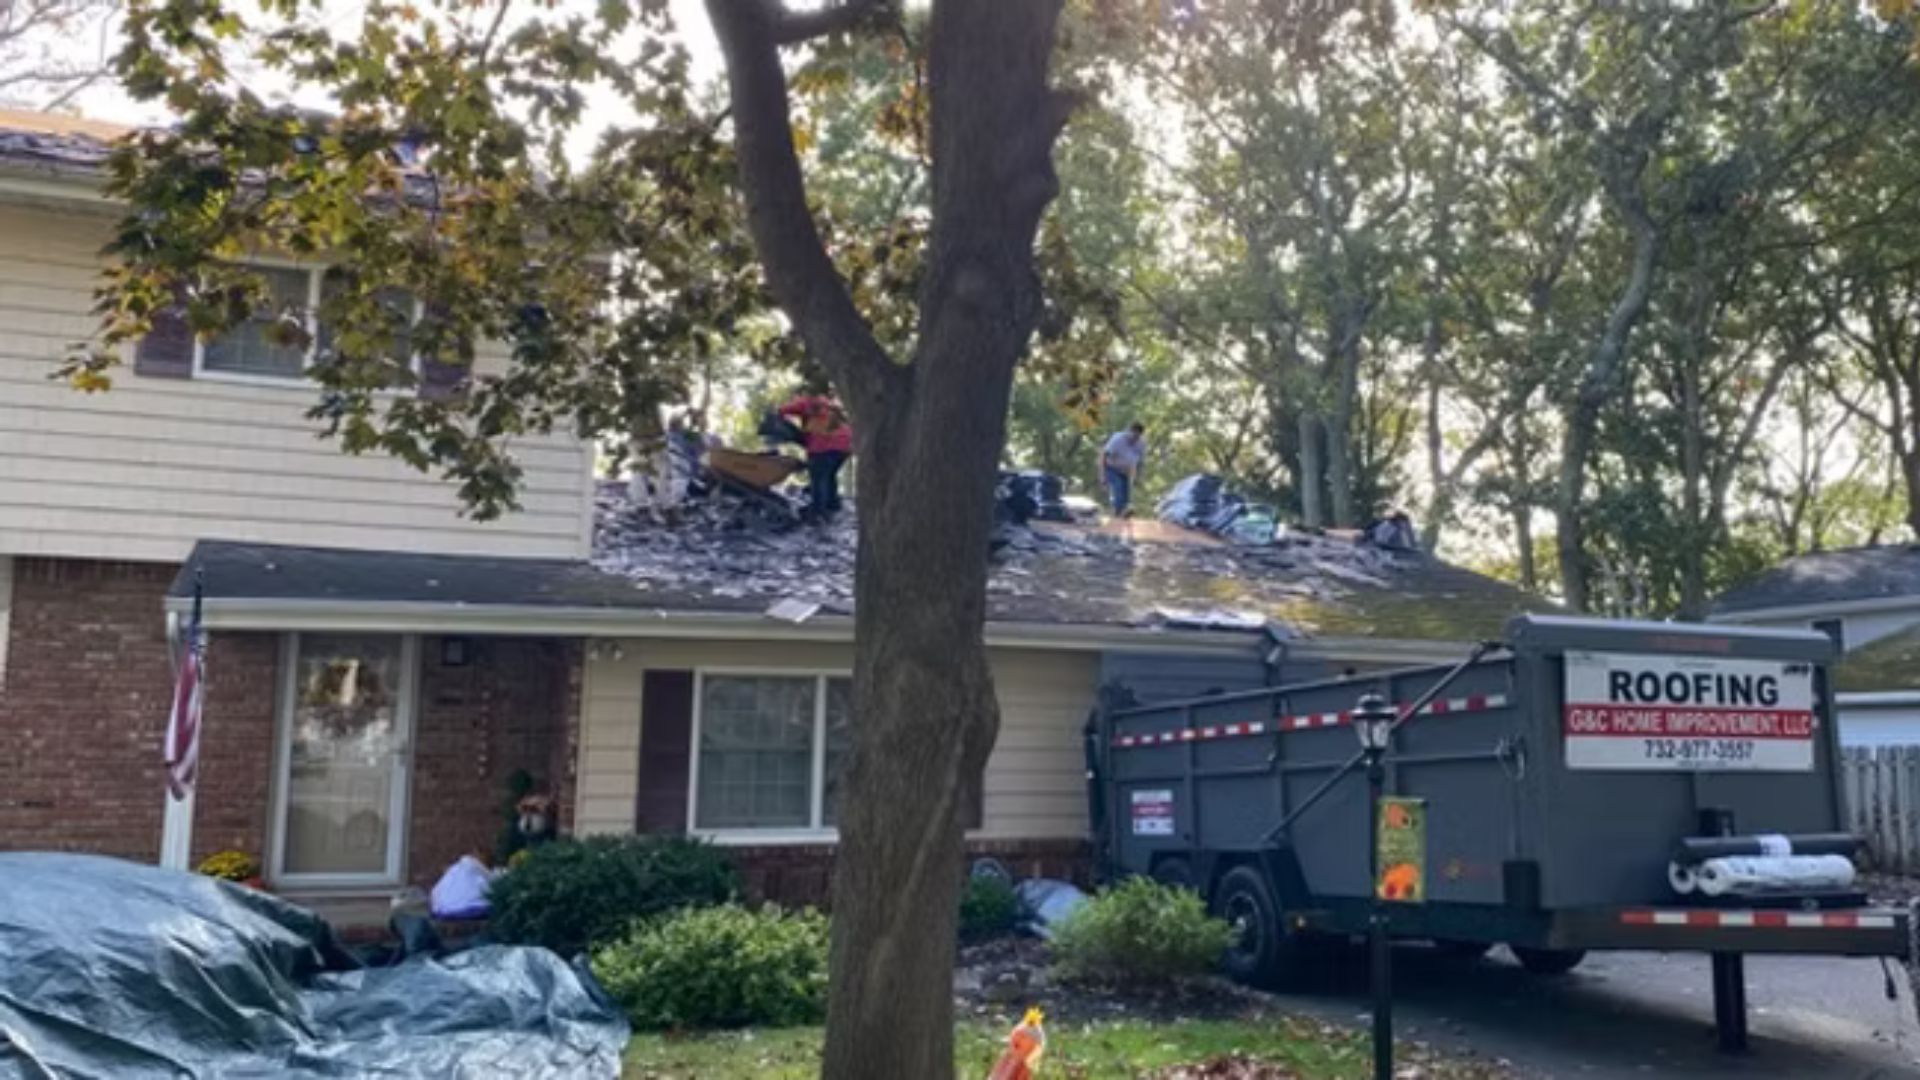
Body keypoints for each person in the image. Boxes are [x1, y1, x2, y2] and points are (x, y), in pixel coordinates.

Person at [780, 390, 853, 519]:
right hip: (844, 446)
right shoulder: (828, 404)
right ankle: (832, 504)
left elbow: (783, 410)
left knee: (818, 478)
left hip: (823, 446)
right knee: (829, 476)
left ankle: (818, 512)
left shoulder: (806, 401)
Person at [1099, 422, 1147, 517]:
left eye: (1137, 437)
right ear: (1129, 431)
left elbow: (1141, 462)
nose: (1134, 439)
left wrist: (1139, 476)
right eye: (1133, 435)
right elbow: (1103, 456)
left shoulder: (1141, 444)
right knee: (1118, 489)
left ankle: (1122, 514)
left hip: (1126, 472)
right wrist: (1102, 475)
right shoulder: (1117, 440)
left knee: (1126, 496)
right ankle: (1118, 513)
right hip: (1111, 468)